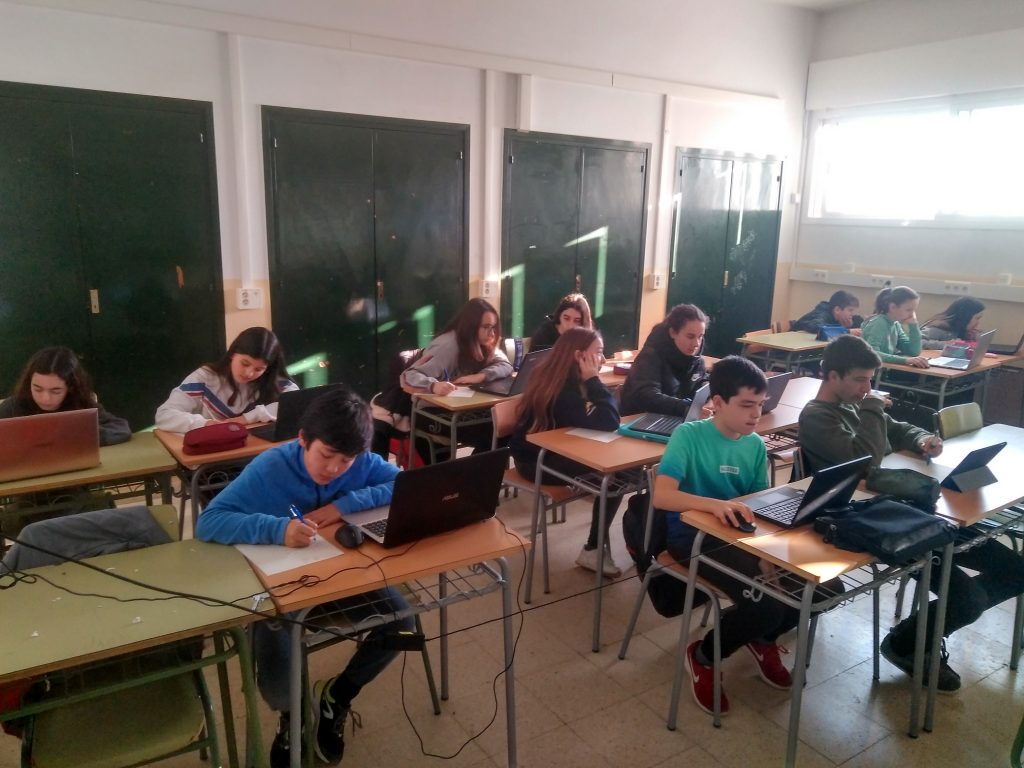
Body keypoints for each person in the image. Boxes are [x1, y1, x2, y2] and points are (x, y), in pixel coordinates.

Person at [195, 388, 412, 767]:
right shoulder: (271, 466)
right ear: (302, 439)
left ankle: (337, 697)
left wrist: (343, 505)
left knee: (403, 625)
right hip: (288, 585)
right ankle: (291, 715)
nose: (335, 469)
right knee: (275, 640)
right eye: (326, 455)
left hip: (343, 575)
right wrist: (277, 529)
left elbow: (404, 483)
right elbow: (209, 521)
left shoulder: (360, 460)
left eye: (346, 460)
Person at [798, 334, 1024, 693]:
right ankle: (907, 643)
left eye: (870, 380)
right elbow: (867, 461)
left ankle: (923, 633)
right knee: (967, 599)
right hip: (876, 522)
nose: (866, 387)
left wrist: (922, 439)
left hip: (911, 507)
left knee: (1016, 571)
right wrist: (873, 407)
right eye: (859, 379)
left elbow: (897, 428)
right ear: (832, 376)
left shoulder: (855, 404)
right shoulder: (817, 416)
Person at [655, 356, 843, 716]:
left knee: (825, 590)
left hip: (741, 535)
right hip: (691, 538)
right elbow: (663, 496)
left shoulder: (754, 444)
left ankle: (761, 638)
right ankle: (704, 656)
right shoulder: (688, 436)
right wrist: (714, 505)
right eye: (746, 405)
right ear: (718, 402)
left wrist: (765, 552)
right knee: (766, 604)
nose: (756, 414)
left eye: (760, 404)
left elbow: (757, 504)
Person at [510, 327, 625, 577]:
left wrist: (593, 384)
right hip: (535, 462)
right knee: (615, 474)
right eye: (598, 353)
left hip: (557, 451)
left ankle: (596, 547)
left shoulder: (566, 379)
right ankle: (593, 549)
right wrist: (594, 381)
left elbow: (602, 416)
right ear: (579, 356)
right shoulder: (562, 389)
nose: (602, 359)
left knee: (625, 469)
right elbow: (608, 421)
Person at [402, 298, 513, 454]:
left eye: (494, 327)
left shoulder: (484, 343)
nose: (492, 333)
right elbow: (409, 376)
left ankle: (478, 469)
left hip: (462, 408)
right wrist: (433, 386)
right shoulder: (448, 346)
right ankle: (476, 469)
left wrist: (481, 376)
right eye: (486, 327)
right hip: (431, 412)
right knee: (496, 434)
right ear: (471, 326)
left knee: (507, 429)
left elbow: (506, 365)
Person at [155, 327, 297, 433]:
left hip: (255, 451)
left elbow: (295, 403)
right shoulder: (205, 377)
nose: (249, 373)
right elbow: (164, 415)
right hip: (213, 454)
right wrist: (206, 424)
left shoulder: (272, 381)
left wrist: (247, 418)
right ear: (232, 354)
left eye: (259, 369)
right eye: (245, 363)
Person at [0, 346, 130, 445]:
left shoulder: (81, 404)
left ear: (71, 388)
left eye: (55, 391)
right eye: (37, 389)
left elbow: (121, 429)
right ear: (29, 384)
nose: (45, 399)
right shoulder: (12, 407)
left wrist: (81, 435)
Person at [620, 304, 708, 417]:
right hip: (643, 419)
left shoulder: (697, 360)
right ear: (673, 333)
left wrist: (711, 394)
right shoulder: (650, 357)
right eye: (690, 337)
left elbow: (702, 382)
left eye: (700, 336)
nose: (696, 343)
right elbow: (647, 396)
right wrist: (685, 407)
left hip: (676, 417)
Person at [860, 285, 928, 368]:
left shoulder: (895, 324)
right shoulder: (878, 323)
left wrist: (913, 325)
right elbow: (871, 353)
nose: (912, 315)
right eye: (908, 310)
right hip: (873, 372)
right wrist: (905, 360)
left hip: (884, 370)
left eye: (913, 310)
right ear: (893, 307)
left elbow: (913, 352)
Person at [528, 293, 593, 351]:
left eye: (577, 321)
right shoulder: (544, 335)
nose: (570, 325)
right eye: (566, 318)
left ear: (583, 323)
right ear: (559, 316)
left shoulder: (585, 337)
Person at [920, 297, 986, 350]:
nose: (978, 323)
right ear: (965, 317)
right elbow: (918, 343)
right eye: (977, 318)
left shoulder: (961, 330)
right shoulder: (938, 328)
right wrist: (945, 344)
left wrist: (973, 338)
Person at [791, 290, 863, 336]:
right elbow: (816, 327)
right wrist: (846, 331)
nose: (852, 314)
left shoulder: (838, 317)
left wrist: (847, 327)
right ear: (837, 310)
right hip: (792, 350)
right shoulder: (822, 314)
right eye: (850, 310)